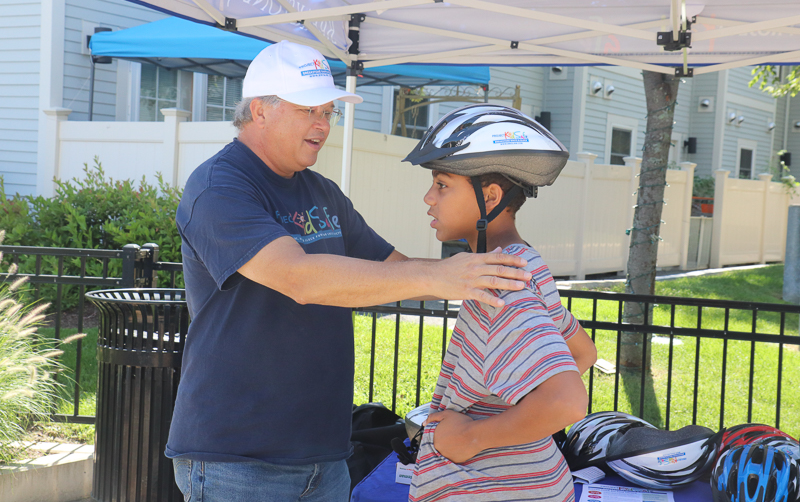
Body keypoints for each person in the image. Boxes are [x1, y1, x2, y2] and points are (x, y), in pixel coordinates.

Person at [165, 41, 535, 502]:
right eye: (309, 110)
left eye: (328, 111)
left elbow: (393, 270)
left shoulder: (322, 191)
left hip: (325, 455)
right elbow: (299, 278)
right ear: (259, 111)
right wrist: (443, 276)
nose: (323, 124)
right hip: (238, 457)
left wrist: (487, 279)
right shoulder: (220, 185)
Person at [403, 104, 598, 502]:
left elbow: (567, 400)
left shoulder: (501, 286)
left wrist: (472, 437)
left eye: (442, 184)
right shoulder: (523, 263)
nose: (429, 198)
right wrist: (512, 408)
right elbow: (583, 351)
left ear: (489, 196)